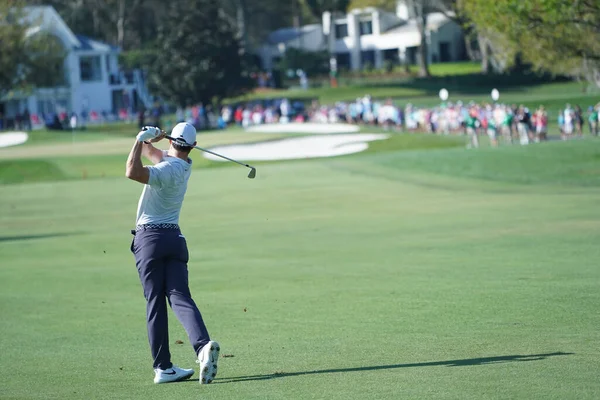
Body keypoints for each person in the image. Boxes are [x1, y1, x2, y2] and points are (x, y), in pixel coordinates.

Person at [125, 123, 220, 385]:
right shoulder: (185, 165)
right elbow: (153, 153)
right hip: (174, 239)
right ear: (192, 147)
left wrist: (138, 140)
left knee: (155, 302)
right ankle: (202, 348)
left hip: (150, 240)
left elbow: (131, 171)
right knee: (179, 296)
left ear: (172, 142)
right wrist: (149, 138)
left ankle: (163, 368)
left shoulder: (166, 169)